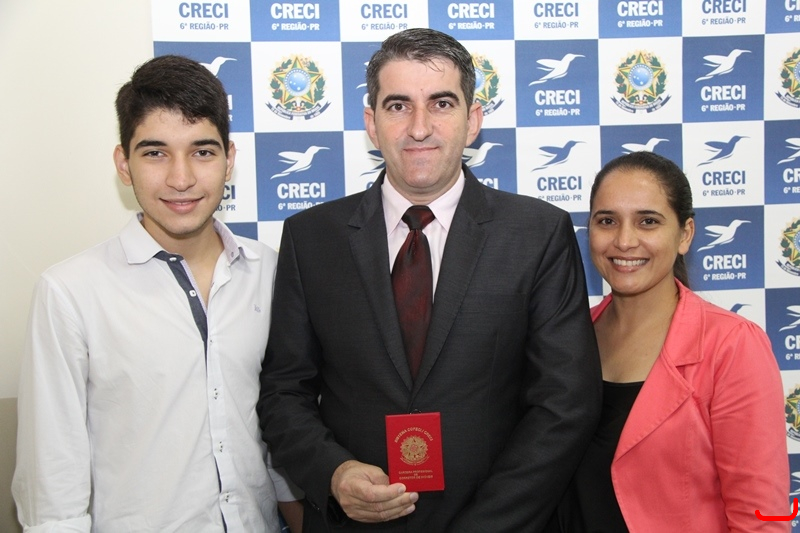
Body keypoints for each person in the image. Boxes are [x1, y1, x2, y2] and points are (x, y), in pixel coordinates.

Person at [257, 28, 602, 532]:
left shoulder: (537, 233)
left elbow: (565, 404)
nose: (419, 128)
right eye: (398, 106)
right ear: (372, 124)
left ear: (473, 120)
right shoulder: (311, 238)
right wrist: (334, 473)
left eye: (441, 103)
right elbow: (283, 392)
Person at [12, 55, 303, 532]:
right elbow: (52, 487)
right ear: (123, 164)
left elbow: (278, 429)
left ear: (229, 159)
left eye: (202, 152)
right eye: (155, 153)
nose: (180, 178)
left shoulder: (270, 271)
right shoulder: (70, 293)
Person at [548, 151, 789, 532]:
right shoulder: (566, 337)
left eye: (648, 221)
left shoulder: (732, 346)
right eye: (607, 221)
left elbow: (764, 517)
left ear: (685, 234)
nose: (625, 241)